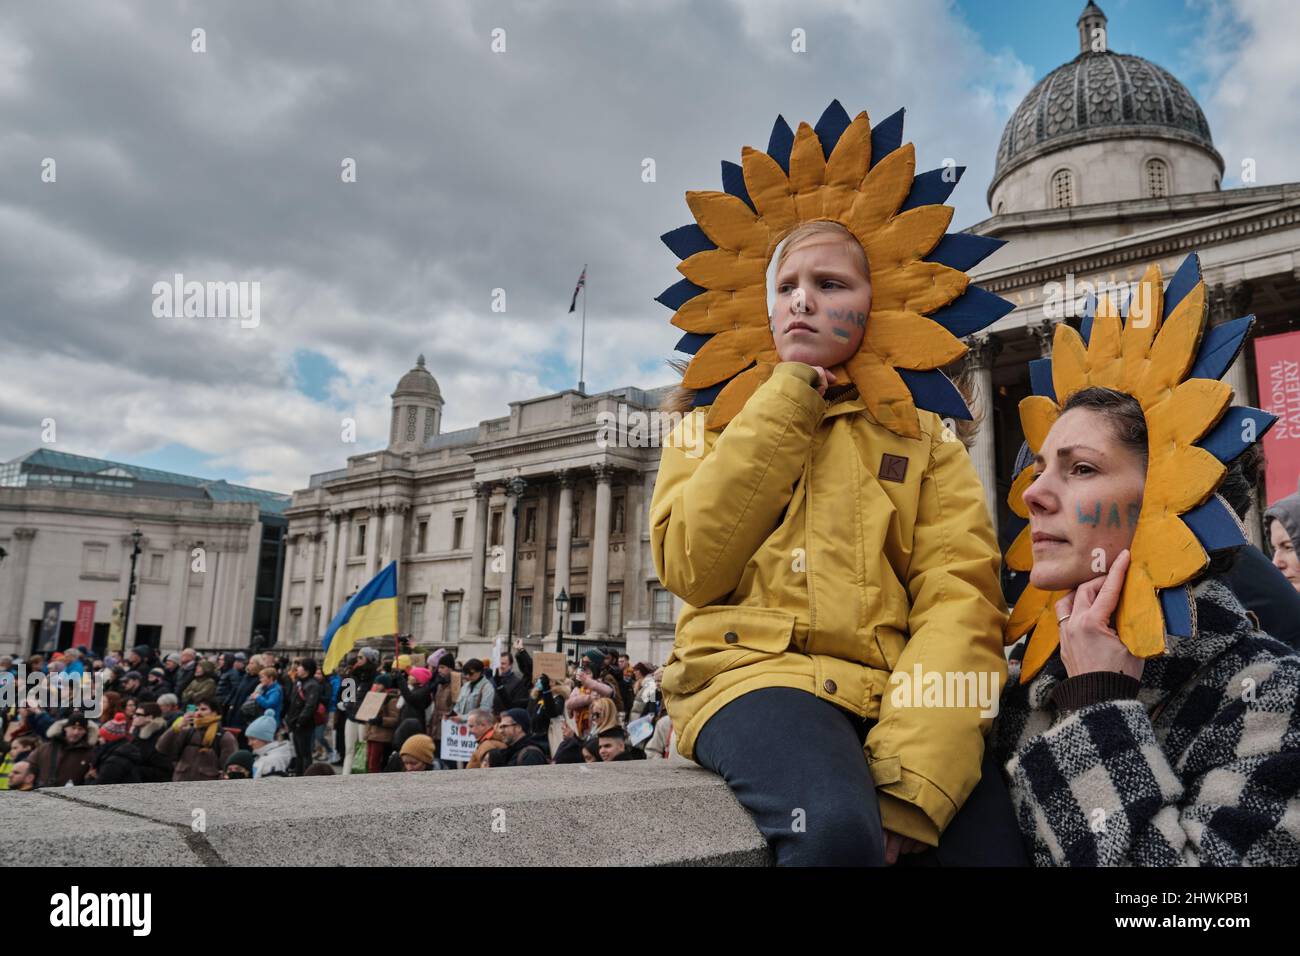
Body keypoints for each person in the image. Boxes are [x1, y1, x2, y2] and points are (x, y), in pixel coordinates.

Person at [650, 102, 1016, 867]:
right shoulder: (705, 427)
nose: (803, 299)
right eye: (786, 285)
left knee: (995, 844)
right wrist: (788, 395)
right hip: (750, 676)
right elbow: (691, 563)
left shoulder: (926, 443)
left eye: (829, 282)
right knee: (835, 831)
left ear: (874, 302)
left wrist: (914, 781)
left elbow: (960, 604)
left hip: (889, 688)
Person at [993, 255, 1300, 865]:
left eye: (1081, 469)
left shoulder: (1270, 693)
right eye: (1037, 470)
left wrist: (1100, 706)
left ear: (1174, 497)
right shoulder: (1012, 683)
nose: (1032, 495)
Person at [155, 698, 237, 782]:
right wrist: (176, 728)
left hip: (207, 787)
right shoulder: (187, 731)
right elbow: (161, 748)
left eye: (203, 709)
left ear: (214, 712)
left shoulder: (224, 736)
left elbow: (229, 767)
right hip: (181, 782)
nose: (198, 713)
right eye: (196, 710)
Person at [29, 711, 97, 788]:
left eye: (80, 729)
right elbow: (30, 766)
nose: (76, 732)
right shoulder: (45, 748)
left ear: (85, 732)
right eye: (73, 728)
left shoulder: (90, 754)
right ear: (65, 728)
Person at [285, 659, 323, 775]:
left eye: (300, 666)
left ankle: (306, 775)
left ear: (307, 669)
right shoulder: (299, 682)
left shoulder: (313, 685)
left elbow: (310, 706)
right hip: (295, 722)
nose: (297, 668)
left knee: (305, 752)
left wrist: (300, 721)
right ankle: (299, 773)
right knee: (298, 752)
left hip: (304, 723)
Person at [87, 712, 143, 785]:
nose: (99, 740)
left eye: (102, 737)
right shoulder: (121, 750)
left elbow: (100, 785)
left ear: (109, 739)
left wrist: (89, 778)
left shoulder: (114, 761)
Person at [363, 674, 401, 774]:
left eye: (379, 683)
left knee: (374, 763)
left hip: (381, 736)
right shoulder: (374, 696)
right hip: (371, 734)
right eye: (375, 683)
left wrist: (381, 720)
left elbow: (395, 719)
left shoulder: (391, 699)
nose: (376, 685)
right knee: (368, 763)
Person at [130, 702, 174, 783]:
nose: (134, 716)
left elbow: (163, 770)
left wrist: (133, 770)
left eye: (138, 714)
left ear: (149, 717)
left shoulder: (159, 737)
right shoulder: (137, 732)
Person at [245, 710, 293, 778]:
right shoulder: (261, 756)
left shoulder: (272, 760)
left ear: (265, 738)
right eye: (248, 739)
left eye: (253, 739)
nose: (249, 743)